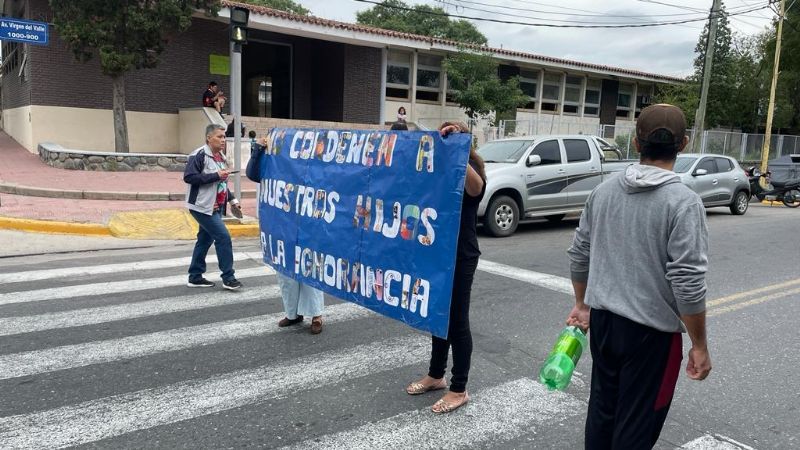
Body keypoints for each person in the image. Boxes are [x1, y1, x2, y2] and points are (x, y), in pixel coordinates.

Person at [565, 104, 712, 449]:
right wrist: (700, 345)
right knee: (637, 426)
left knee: (602, 412)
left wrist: (581, 305)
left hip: (604, 325)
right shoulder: (683, 203)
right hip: (651, 336)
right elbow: (687, 283)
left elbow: (579, 253)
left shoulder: (604, 192)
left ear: (635, 143)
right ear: (684, 144)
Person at [405, 121, 485, 414]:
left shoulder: (469, 172)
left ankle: (459, 388)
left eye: (451, 138)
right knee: (438, 317)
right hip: (436, 256)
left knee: (457, 322)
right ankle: (436, 375)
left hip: (461, 257)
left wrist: (457, 149)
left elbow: (477, 188)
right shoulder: (438, 172)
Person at [249, 134, 325, 334]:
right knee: (285, 272)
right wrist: (258, 150)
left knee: (309, 269)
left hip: (308, 226)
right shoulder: (273, 161)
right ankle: (292, 314)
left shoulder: (315, 166)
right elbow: (253, 174)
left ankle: (316, 315)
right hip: (281, 225)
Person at [184, 123, 243, 290]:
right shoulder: (199, 155)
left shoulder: (220, 157)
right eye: (219, 136)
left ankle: (195, 276)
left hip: (215, 206)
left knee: (204, 240)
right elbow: (189, 177)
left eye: (224, 137)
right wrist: (215, 175)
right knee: (223, 237)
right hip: (201, 206)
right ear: (209, 138)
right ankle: (228, 277)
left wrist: (232, 201)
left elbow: (221, 183)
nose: (223, 140)